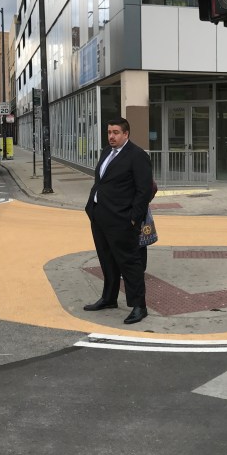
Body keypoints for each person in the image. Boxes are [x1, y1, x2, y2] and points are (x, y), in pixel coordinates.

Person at [84, 117, 153, 325]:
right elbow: (103, 181)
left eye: (115, 132)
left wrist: (134, 219)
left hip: (122, 219)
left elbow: (144, 190)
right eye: (109, 132)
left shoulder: (137, 156)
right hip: (99, 216)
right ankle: (109, 298)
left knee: (130, 263)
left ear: (126, 134)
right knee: (107, 260)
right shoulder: (107, 152)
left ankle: (139, 306)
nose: (111, 136)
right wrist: (92, 208)